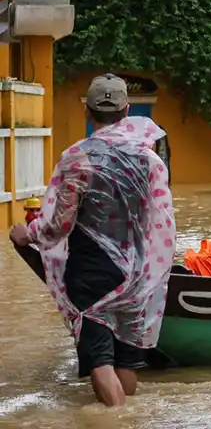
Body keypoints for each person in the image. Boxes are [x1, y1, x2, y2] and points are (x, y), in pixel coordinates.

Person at [10, 74, 174, 407]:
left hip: (93, 270)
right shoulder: (150, 160)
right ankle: (127, 419)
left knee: (99, 357)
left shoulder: (78, 158)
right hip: (139, 270)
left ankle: (115, 422)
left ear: (88, 111)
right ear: (127, 111)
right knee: (128, 359)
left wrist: (27, 235)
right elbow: (162, 221)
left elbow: (60, 224)